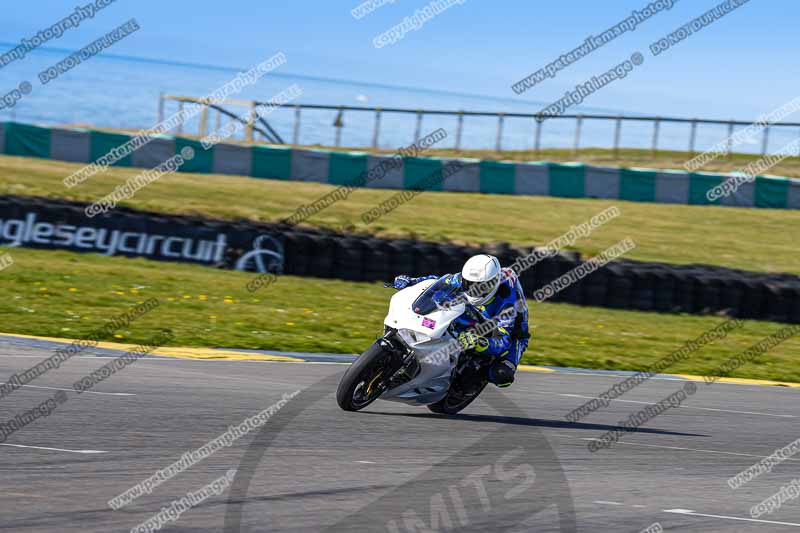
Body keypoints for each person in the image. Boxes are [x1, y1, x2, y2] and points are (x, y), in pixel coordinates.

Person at [393, 254, 530, 388]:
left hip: (512, 334)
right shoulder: (468, 278)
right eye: (469, 284)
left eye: (480, 286)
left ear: (493, 284)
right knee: (444, 302)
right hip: (479, 312)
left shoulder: (508, 304)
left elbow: (503, 342)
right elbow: (439, 282)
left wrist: (479, 342)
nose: (473, 289)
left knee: (502, 375)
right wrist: (412, 281)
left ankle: (472, 378)